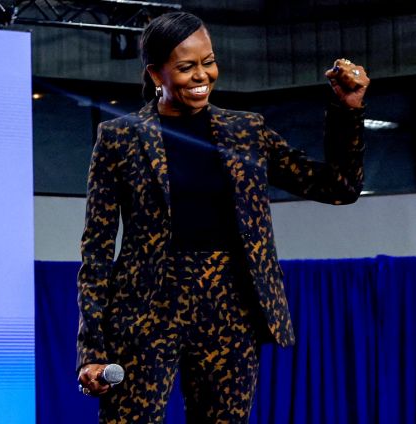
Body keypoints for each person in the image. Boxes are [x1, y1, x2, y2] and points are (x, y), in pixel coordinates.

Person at [76, 12, 369, 424]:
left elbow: (339, 187)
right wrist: (92, 349)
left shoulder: (246, 130)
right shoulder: (119, 138)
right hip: (145, 312)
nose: (202, 74)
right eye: (186, 66)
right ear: (155, 73)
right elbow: (97, 250)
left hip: (231, 308)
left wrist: (348, 110)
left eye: (208, 61)